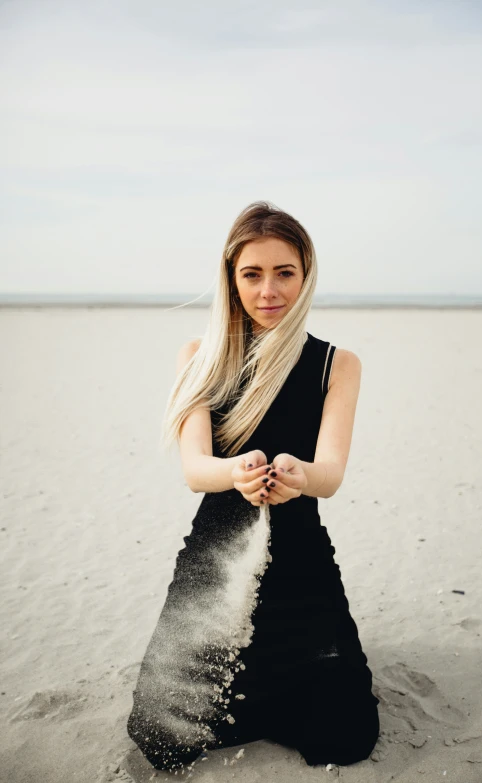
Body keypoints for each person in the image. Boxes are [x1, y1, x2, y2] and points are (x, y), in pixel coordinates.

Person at [127, 201, 380, 771]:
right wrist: (238, 472)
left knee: (344, 739)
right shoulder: (200, 356)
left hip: (301, 559)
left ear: (305, 273)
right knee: (160, 734)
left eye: (284, 273)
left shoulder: (337, 365)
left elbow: (331, 474)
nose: (269, 290)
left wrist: (298, 476)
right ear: (231, 277)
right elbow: (196, 470)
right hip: (216, 555)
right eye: (252, 274)